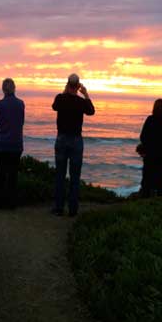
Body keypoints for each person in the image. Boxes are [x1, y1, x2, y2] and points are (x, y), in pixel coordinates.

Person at [51, 73, 95, 216]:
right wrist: (86, 94)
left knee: (60, 175)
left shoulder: (60, 98)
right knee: (75, 177)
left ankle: (58, 208)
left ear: (67, 84)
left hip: (62, 139)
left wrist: (65, 91)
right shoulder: (81, 102)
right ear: (78, 86)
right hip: (76, 140)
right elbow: (91, 111)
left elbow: (54, 106)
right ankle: (72, 210)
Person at [0, 78, 25, 209]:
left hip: (1, 143)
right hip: (16, 143)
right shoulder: (21, 104)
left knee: (0, 174)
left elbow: (0, 117)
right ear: (14, 88)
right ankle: (12, 203)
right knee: (13, 174)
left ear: (3, 89)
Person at [139, 99, 162, 197]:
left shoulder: (150, 119)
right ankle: (160, 193)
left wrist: (147, 146)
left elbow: (143, 136)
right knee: (161, 173)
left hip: (150, 152)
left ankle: (146, 193)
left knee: (148, 173)